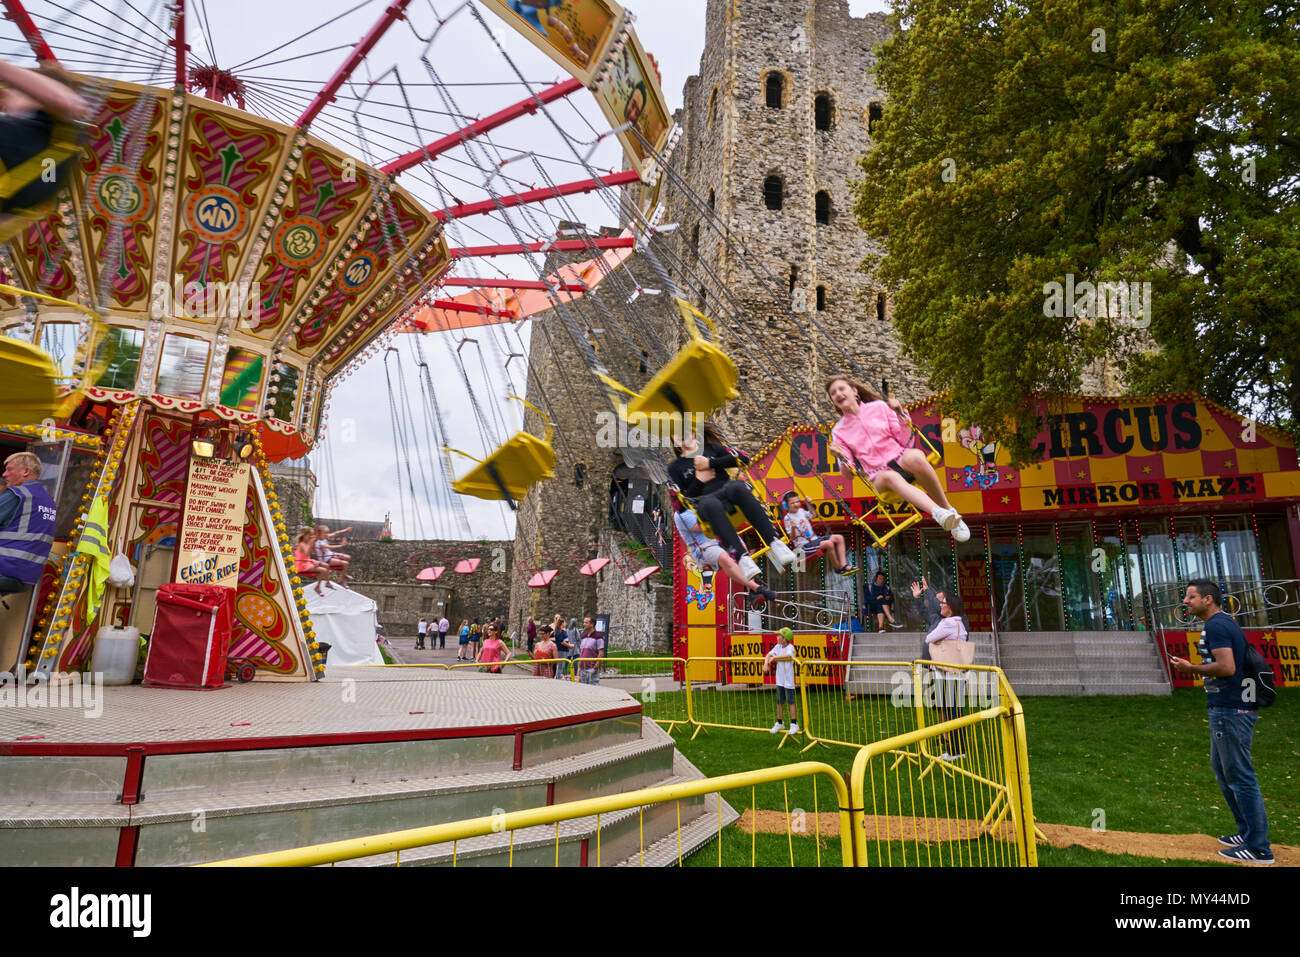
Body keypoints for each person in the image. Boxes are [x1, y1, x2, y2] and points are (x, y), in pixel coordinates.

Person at [1169, 579, 1273, 865]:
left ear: (1208, 599)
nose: (1185, 602)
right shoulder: (1222, 623)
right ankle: (1246, 832)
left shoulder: (1217, 626)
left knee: (1239, 776)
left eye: (1191, 597)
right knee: (1225, 772)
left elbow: (1227, 667)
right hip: (1229, 707)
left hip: (1232, 709)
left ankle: (1259, 848)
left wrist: (1191, 668)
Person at [825, 375, 969, 543]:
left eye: (841, 389)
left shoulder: (879, 407)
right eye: (833, 393)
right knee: (891, 477)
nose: (838, 394)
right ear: (833, 401)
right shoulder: (839, 431)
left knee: (916, 456)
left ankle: (949, 511)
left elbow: (904, 439)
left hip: (899, 458)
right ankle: (939, 513)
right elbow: (848, 475)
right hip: (879, 474)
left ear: (854, 391)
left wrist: (900, 414)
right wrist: (841, 457)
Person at [668, 422, 796, 578]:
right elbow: (679, 505)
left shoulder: (712, 449)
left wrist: (710, 463)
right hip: (704, 504)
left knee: (738, 487)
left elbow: (744, 458)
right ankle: (742, 558)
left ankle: (774, 542)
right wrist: (699, 480)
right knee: (710, 503)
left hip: (728, 494)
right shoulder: (675, 468)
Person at [0, 60, 89, 241]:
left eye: (13, 90)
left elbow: (63, 101)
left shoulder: (59, 127)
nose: (6, 98)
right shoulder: (56, 156)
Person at [674, 505, 777, 609]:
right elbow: (703, 528)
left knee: (743, 555)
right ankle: (758, 588)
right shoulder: (682, 512)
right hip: (703, 547)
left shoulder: (701, 504)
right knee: (725, 559)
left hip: (719, 539)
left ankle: (753, 594)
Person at [0, 451, 56, 596]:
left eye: (9, 469)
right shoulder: (49, 501)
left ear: (26, 471)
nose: (4, 474)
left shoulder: (17, 493)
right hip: (28, 576)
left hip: (6, 567)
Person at [924, 592, 970, 761]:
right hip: (957, 675)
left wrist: (938, 641)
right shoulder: (959, 623)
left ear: (950, 607)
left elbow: (929, 638)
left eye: (943, 603)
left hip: (946, 675)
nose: (940, 605)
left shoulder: (948, 623)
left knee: (951, 714)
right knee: (956, 713)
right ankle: (958, 750)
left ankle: (954, 752)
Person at [780, 491, 855, 576]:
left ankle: (844, 565)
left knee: (839, 538)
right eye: (792, 503)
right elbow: (792, 537)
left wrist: (808, 504)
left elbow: (813, 515)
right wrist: (793, 527)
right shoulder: (788, 518)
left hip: (815, 540)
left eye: (797, 502)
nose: (796, 504)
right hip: (805, 546)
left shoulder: (801, 511)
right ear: (786, 505)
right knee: (829, 544)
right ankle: (838, 568)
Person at [910, 578, 969, 660]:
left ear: (950, 604)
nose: (939, 604)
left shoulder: (956, 620)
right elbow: (924, 612)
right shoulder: (937, 618)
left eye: (941, 602)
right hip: (932, 662)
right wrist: (917, 598)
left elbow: (929, 639)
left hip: (946, 662)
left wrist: (927, 591)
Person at [762, 627, 799, 734]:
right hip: (780, 680)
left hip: (788, 680)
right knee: (779, 701)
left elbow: (788, 655)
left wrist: (775, 658)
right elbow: (768, 655)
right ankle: (779, 722)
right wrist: (766, 663)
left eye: (779, 635)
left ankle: (794, 724)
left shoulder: (790, 647)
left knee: (790, 701)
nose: (777, 637)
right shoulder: (777, 647)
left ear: (785, 638)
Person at [293, 528, 330, 595]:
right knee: (324, 570)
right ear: (304, 535)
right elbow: (307, 553)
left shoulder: (307, 543)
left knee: (326, 565)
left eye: (312, 535)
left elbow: (307, 556)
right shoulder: (301, 544)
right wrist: (312, 543)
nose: (311, 536)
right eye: (310, 535)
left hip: (307, 561)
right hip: (302, 565)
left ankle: (326, 583)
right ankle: (318, 587)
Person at [577, 615, 604, 685]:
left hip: (592, 668)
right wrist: (579, 667)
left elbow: (601, 652)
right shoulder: (583, 637)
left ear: (592, 624)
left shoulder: (598, 637)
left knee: (593, 688)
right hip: (582, 668)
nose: (584, 624)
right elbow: (581, 652)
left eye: (586, 623)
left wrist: (596, 667)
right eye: (584, 622)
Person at [553, 614, 573, 680]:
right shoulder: (559, 632)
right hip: (561, 649)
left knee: (562, 664)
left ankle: (559, 675)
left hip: (565, 649)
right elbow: (562, 641)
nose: (565, 623)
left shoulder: (563, 631)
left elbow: (566, 639)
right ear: (562, 623)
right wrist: (569, 645)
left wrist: (569, 645)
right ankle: (558, 676)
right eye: (564, 622)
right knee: (560, 664)